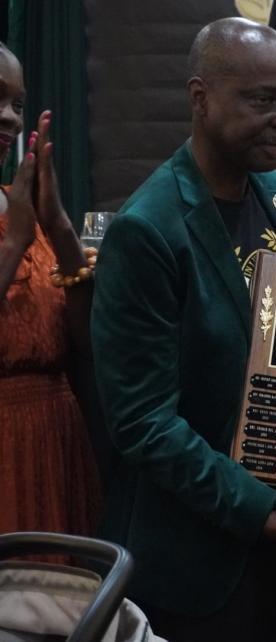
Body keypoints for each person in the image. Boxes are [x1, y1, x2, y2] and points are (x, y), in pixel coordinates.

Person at [90, 18, 276, 641]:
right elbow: (144, 423)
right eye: (264, 100)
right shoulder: (147, 230)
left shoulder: (274, 191)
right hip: (200, 560)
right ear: (200, 97)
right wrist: (263, 513)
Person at [0, 41, 101, 540]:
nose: (11, 119)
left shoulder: (19, 204)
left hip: (58, 441)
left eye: (18, 105)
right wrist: (15, 240)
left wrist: (58, 226)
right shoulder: (17, 221)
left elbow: (85, 343)